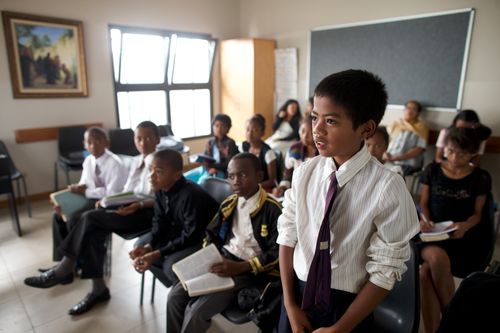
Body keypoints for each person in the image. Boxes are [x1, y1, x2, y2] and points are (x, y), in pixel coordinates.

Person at [277, 69, 420, 333]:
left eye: (331, 121)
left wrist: (340, 328)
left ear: (366, 128)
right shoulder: (305, 172)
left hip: (347, 310)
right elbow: (288, 235)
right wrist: (290, 305)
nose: (316, 129)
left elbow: (385, 269)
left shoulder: (387, 187)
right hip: (297, 293)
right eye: (314, 117)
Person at [24, 121, 161, 315]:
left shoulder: (159, 162)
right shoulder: (138, 160)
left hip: (145, 214)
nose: (143, 142)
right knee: (92, 228)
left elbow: (158, 198)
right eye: (139, 138)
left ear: (157, 139)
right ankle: (98, 289)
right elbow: (126, 191)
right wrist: (111, 201)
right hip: (128, 207)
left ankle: (64, 269)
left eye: (148, 137)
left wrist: (134, 204)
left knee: (89, 218)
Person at [166, 152, 282, 333]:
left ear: (259, 176)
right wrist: (209, 256)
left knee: (195, 310)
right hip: (223, 259)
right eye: (231, 176)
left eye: (242, 175)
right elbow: (211, 234)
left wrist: (242, 267)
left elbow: (279, 253)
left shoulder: (272, 209)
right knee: (174, 296)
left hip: (249, 271)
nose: (235, 181)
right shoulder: (229, 203)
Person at [417, 127, 492, 333]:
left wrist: (465, 226)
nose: (454, 157)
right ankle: (455, 323)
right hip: (432, 234)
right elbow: (422, 203)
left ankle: (437, 330)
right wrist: (425, 219)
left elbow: (478, 214)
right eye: (450, 151)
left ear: (472, 154)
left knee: (425, 273)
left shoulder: (480, 177)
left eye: (461, 153)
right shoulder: (432, 170)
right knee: (436, 259)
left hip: (462, 236)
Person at [129, 149, 219, 286]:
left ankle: (182, 293)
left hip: (204, 240)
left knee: (170, 266)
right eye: (151, 170)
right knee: (140, 246)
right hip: (180, 232)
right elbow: (159, 223)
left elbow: (191, 236)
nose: (151, 177)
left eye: (158, 172)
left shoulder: (191, 195)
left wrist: (158, 253)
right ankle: (176, 284)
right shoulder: (161, 189)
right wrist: (150, 246)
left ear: (177, 175)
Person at [50, 127, 128, 264]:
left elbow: (112, 194)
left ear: (107, 143)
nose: (93, 145)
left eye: (98, 141)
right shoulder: (88, 161)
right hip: (89, 198)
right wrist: (79, 187)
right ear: (84, 144)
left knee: (74, 218)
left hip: (106, 202)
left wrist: (85, 192)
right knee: (58, 215)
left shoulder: (115, 163)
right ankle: (61, 261)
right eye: (89, 142)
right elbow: (85, 182)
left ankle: (74, 262)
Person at [184, 114, 239, 184]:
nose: (219, 128)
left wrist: (212, 167)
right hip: (207, 169)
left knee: (202, 182)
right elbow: (205, 158)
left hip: (221, 171)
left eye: (223, 126)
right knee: (184, 178)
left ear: (228, 128)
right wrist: (202, 162)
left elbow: (229, 164)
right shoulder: (210, 142)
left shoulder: (230, 143)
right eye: (216, 125)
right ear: (213, 127)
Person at [272, 114, 318, 198]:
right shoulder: (294, 150)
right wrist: (282, 188)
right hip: (297, 194)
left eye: (311, 132)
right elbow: (287, 176)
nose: (305, 136)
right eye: (302, 131)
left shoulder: (324, 153)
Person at [384, 100, 429, 175]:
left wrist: (399, 158)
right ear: (404, 110)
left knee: (392, 175)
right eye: (408, 108)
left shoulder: (421, 127)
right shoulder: (395, 124)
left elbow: (420, 149)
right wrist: (385, 153)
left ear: (418, 113)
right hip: (389, 160)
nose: (410, 111)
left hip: (408, 163)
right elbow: (386, 142)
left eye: (414, 109)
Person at [242, 114, 278, 191]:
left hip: (263, 189)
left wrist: (254, 186)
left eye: (255, 130)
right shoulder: (244, 146)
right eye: (248, 129)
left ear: (262, 133)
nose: (250, 133)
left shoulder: (268, 152)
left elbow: (273, 181)